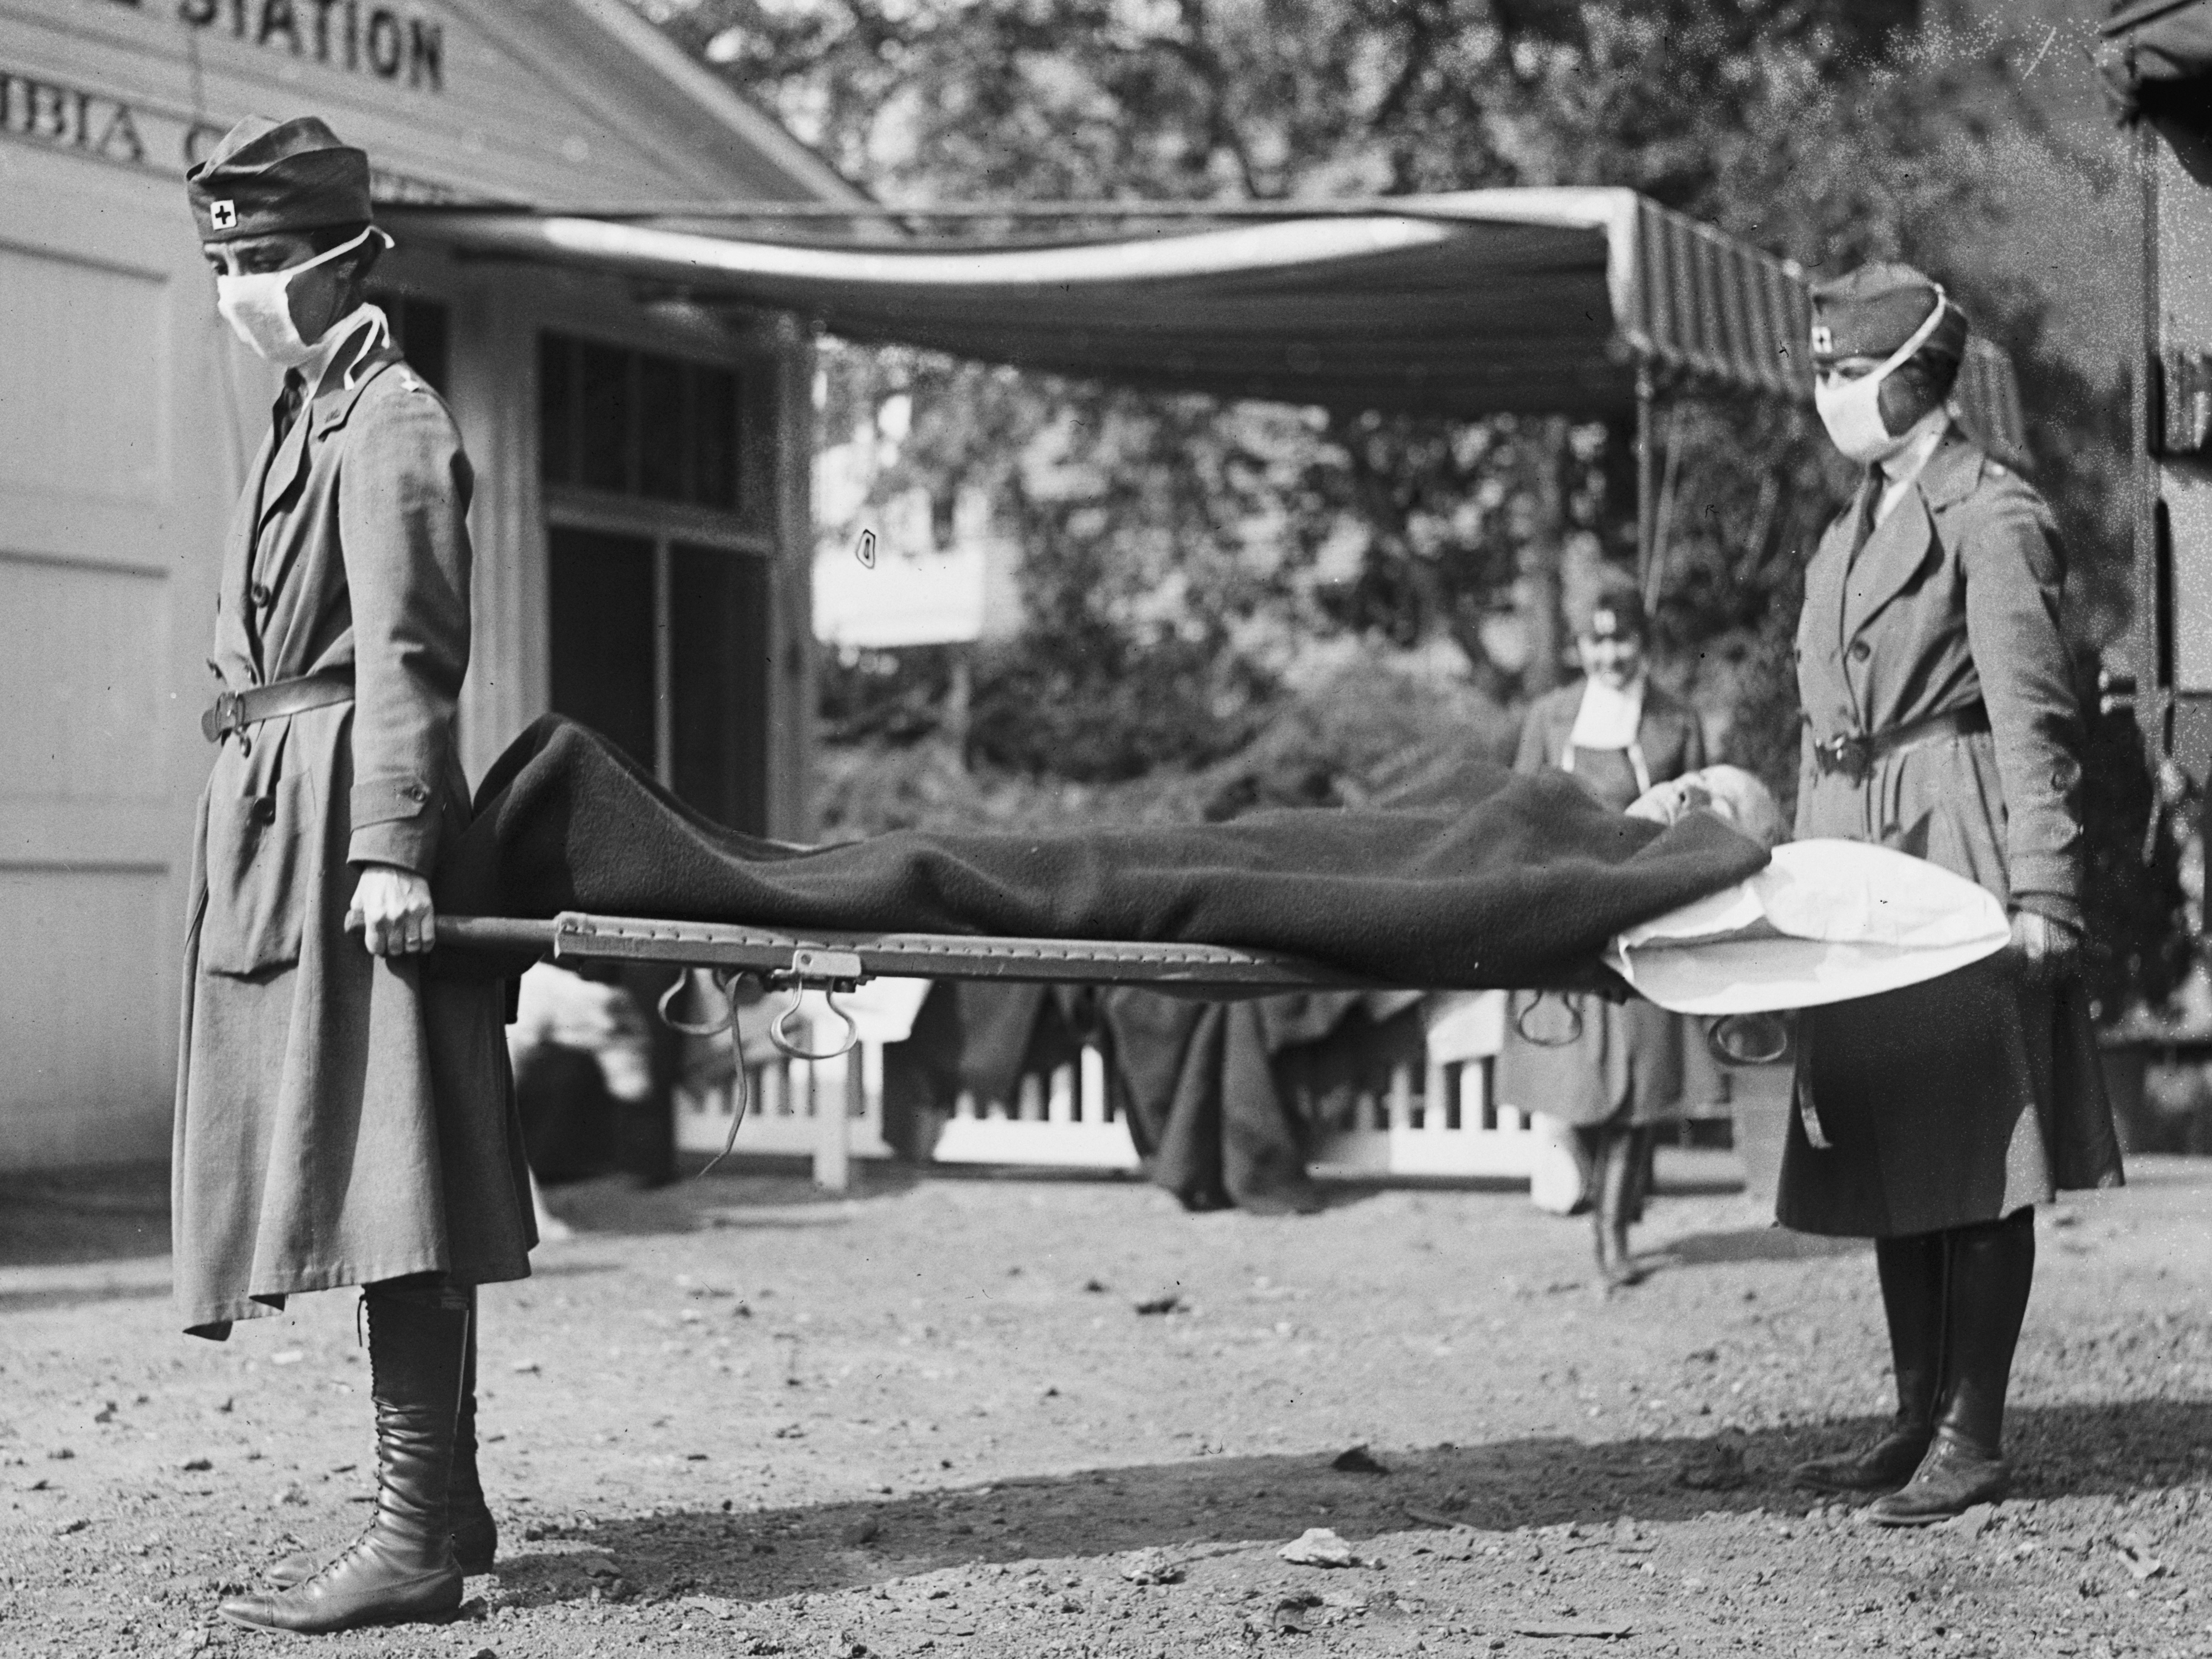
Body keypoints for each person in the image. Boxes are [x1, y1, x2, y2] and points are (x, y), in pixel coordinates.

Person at [172, 115, 534, 1632]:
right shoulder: (302, 409)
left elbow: (409, 651)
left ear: (338, 263)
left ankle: (413, 1540)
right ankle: (444, 1506)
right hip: (278, 819)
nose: (238, 287)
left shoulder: (385, 414)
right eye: (223, 263)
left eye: (259, 261)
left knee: (395, 1175)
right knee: (368, 1163)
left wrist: (393, 845)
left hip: (345, 830)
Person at [1782, 262, 2122, 1524]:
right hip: (1855, 849)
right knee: (1891, 1148)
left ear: (1915, 376)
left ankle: (1973, 1437)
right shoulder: (1853, 520)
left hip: (1958, 845)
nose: (1825, 393)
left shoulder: (1995, 513)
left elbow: (2036, 716)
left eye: (1842, 371)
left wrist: (2047, 890)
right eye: (1819, 369)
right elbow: (1821, 712)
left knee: (1978, 1154)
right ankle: (1915, 1415)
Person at [1498, 582, 1711, 1288]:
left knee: (1641, 1082)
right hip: (1565, 914)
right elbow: (1518, 813)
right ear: (1581, 647)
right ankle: (1595, 1190)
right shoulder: (1550, 716)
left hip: (1644, 909)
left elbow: (1700, 815)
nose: (1611, 655)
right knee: (1575, 1076)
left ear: (1643, 645)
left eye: (1623, 641)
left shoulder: (1675, 718)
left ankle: (1613, 1232)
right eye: (1598, 641)